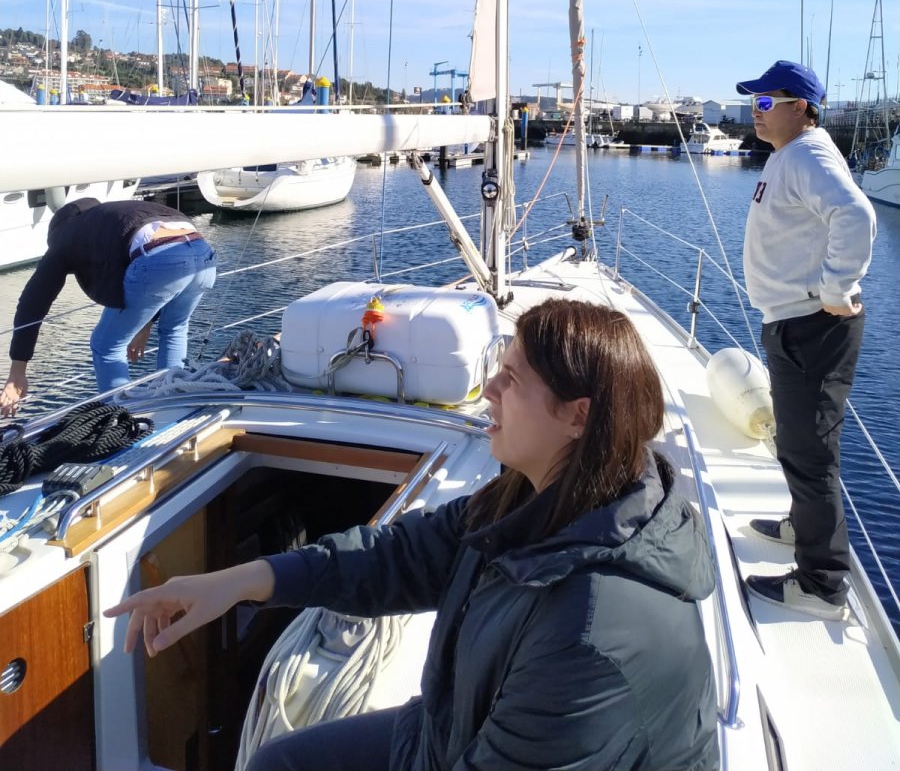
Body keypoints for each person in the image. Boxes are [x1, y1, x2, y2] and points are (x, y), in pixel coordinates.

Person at [105, 299, 719, 771]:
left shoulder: (595, 631)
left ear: (578, 417)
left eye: (511, 379)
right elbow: (397, 557)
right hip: (449, 732)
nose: (489, 392)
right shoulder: (529, 500)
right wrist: (241, 581)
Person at [736, 60, 876, 621]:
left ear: (801, 108)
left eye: (765, 103)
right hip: (796, 323)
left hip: (811, 326)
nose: (755, 112)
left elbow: (856, 215)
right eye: (753, 103)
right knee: (798, 445)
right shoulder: (790, 154)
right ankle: (803, 525)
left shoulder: (807, 155)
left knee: (810, 454)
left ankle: (822, 585)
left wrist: (836, 289)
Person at [1, 198, 216, 416]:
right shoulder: (112, 216)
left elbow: (33, 302)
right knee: (174, 329)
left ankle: (122, 418)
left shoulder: (66, 236)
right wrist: (146, 322)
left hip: (161, 257)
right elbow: (149, 264)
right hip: (203, 253)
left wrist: (17, 371)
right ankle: (173, 403)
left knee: (106, 345)